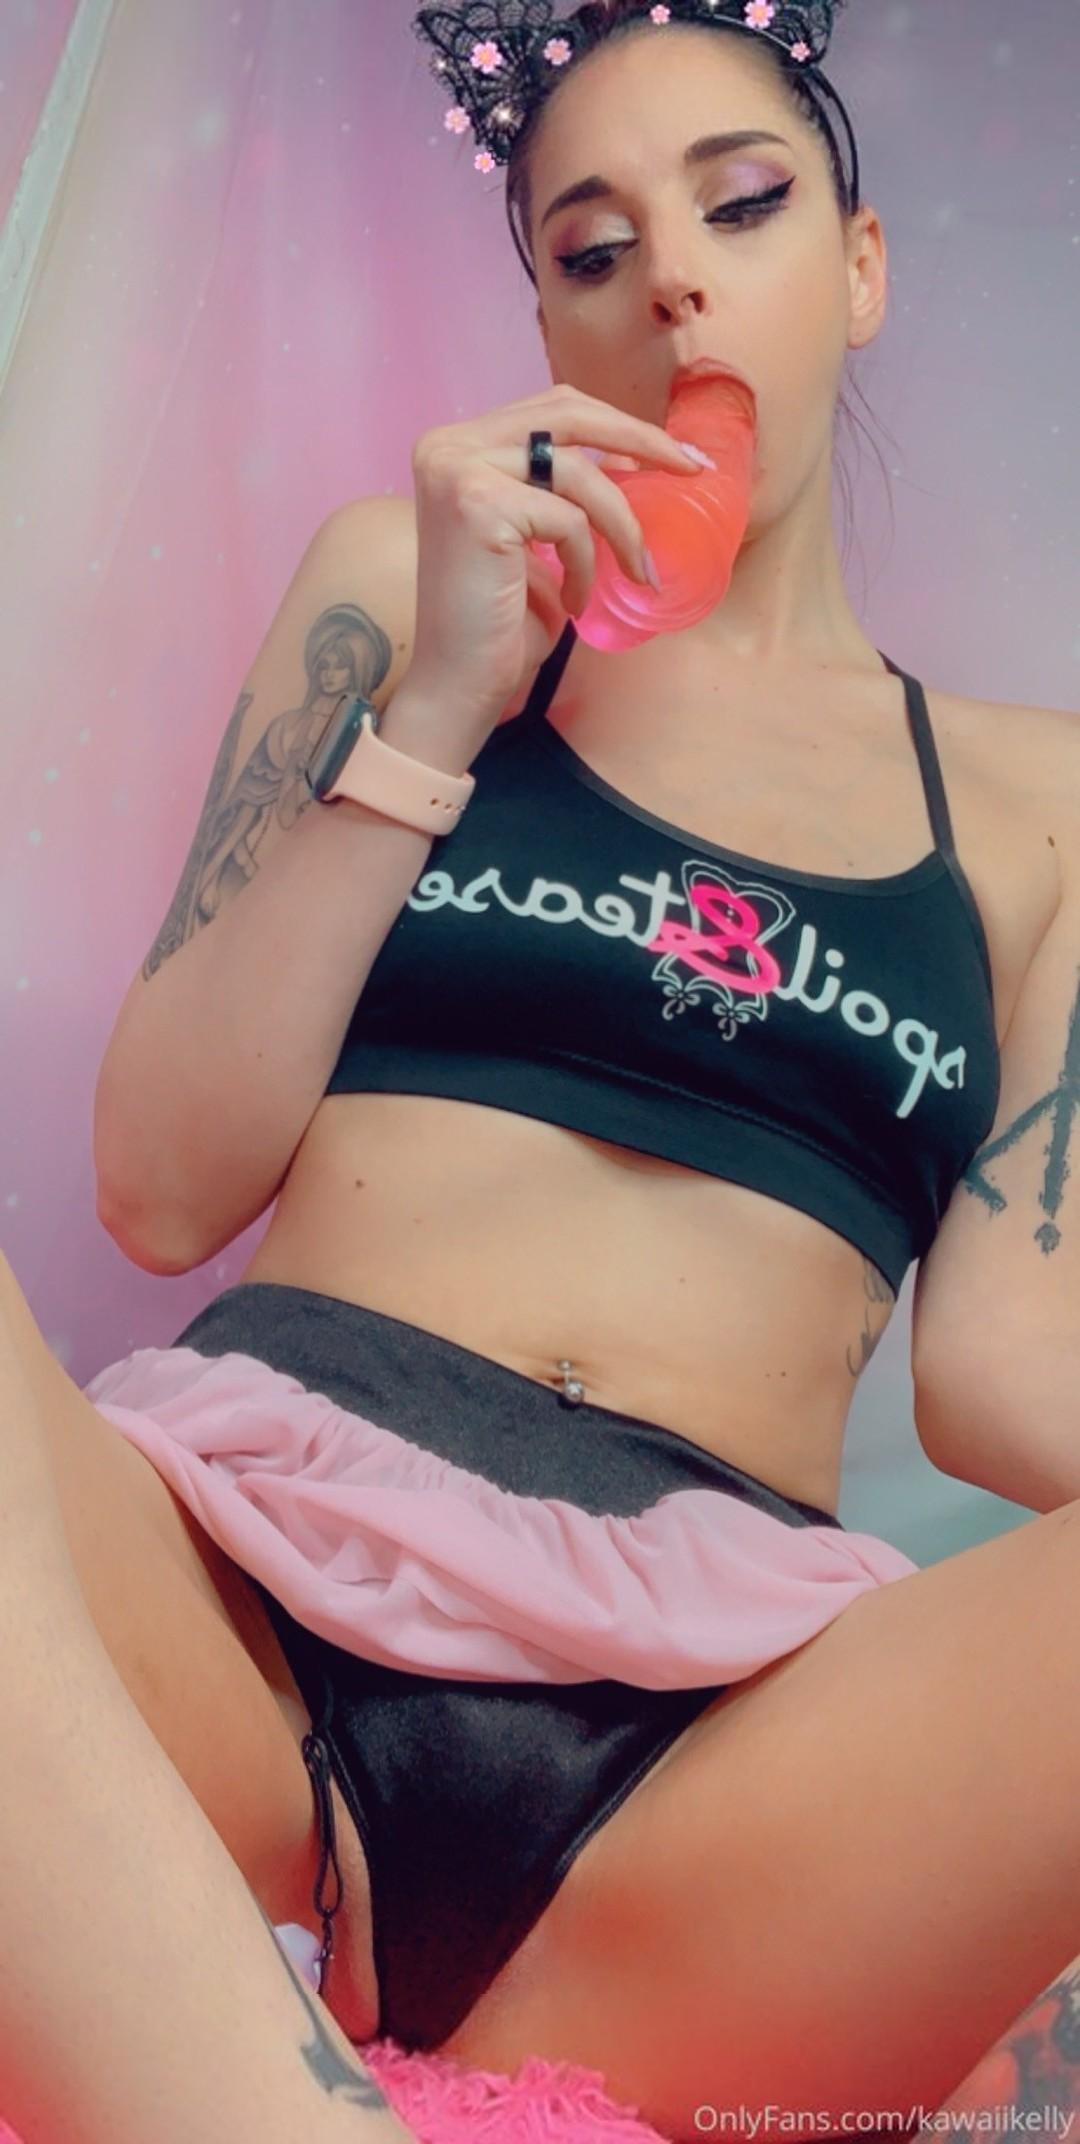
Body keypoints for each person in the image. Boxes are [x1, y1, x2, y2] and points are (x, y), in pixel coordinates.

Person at [13, 0, 1080, 2133]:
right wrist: (437, 706)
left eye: (741, 206)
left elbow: (1002, 1377)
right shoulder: (399, 594)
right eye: (593, 247)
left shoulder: (1039, 808)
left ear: (860, 265)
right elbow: (157, 1184)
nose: (671, 277)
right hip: (231, 1615)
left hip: (704, 1774)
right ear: (550, 330)